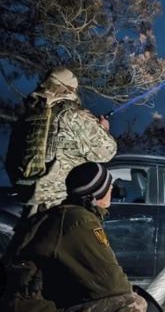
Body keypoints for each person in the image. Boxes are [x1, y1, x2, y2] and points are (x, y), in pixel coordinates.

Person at [0, 162, 147, 312]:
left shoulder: (55, 215)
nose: (112, 188)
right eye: (109, 184)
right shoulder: (79, 220)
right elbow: (113, 286)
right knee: (132, 306)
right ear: (98, 192)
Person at [6, 68, 117, 215]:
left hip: (28, 204)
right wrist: (104, 129)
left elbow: (10, 162)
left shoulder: (26, 118)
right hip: (61, 206)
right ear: (70, 89)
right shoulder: (71, 115)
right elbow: (107, 151)